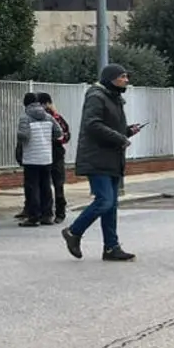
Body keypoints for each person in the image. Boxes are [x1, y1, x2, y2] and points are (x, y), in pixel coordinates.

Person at [62, 64, 141, 262]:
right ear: (111, 78)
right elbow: (93, 124)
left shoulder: (113, 97)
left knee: (111, 205)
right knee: (104, 201)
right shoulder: (96, 96)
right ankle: (73, 231)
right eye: (123, 77)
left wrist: (127, 131)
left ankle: (111, 248)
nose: (126, 80)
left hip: (111, 158)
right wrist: (120, 138)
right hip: (96, 158)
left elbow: (111, 126)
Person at [17, 92, 62, 227]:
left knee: (32, 187)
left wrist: (19, 136)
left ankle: (33, 217)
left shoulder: (25, 117)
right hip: (46, 157)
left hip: (31, 157)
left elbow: (24, 136)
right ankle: (47, 215)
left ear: (25, 103)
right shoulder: (48, 116)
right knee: (46, 186)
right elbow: (59, 132)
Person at [37, 92, 72, 222]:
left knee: (57, 184)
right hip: (45, 153)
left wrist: (56, 140)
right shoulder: (40, 117)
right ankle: (47, 212)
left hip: (55, 154)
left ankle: (59, 212)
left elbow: (66, 135)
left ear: (46, 104)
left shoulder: (56, 118)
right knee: (46, 184)